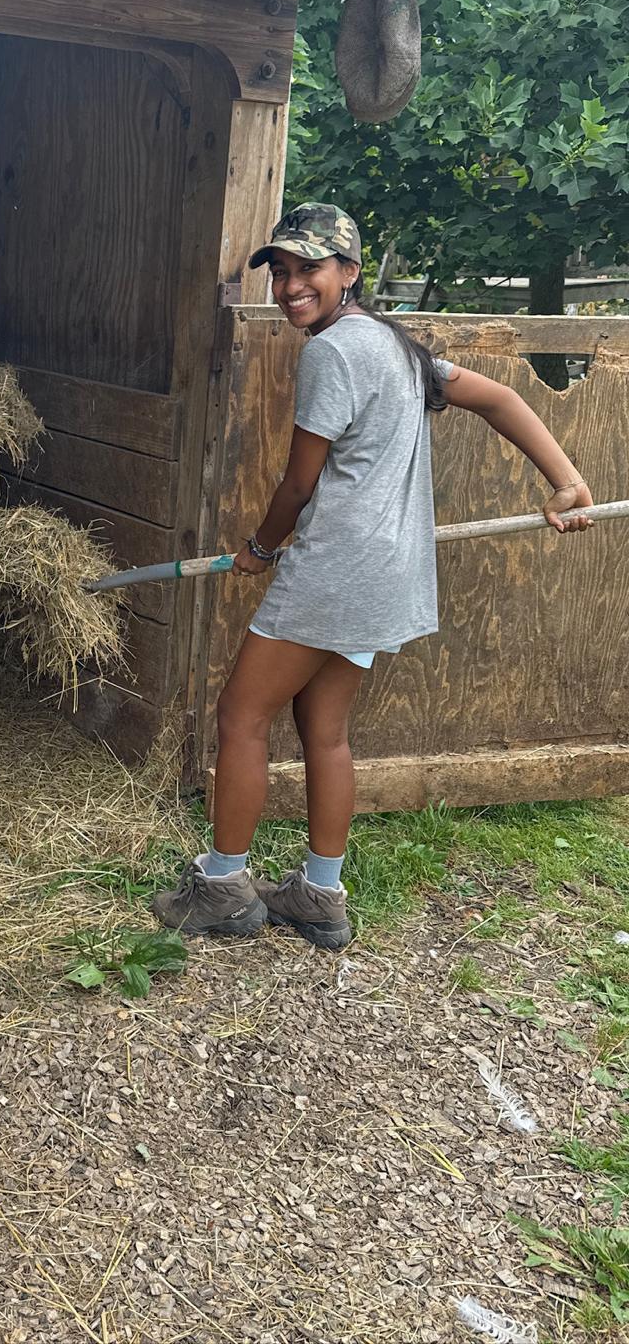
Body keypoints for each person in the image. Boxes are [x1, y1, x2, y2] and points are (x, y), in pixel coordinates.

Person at [151, 203, 594, 951]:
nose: (293, 286)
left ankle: (224, 885)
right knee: (324, 730)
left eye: (310, 269)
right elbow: (503, 398)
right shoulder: (396, 346)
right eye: (283, 271)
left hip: (336, 571)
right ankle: (320, 894)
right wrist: (566, 479)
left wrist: (259, 547)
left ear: (349, 273)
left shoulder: (333, 352)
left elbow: (297, 484)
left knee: (241, 715)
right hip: (388, 575)